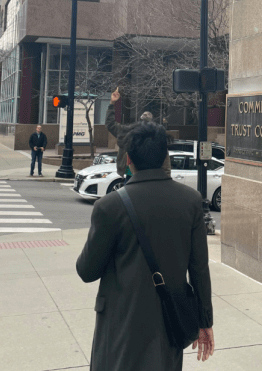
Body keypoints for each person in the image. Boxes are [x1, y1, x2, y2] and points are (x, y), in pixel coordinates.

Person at [76, 121, 214, 371]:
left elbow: (87, 271)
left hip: (120, 327)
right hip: (168, 325)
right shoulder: (191, 201)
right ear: (165, 157)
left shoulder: (109, 207)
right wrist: (205, 322)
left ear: (128, 159)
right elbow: (199, 269)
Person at [105, 87, 171, 178]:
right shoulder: (157, 136)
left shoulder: (129, 132)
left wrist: (112, 103)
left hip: (135, 176)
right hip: (149, 178)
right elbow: (166, 164)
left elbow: (110, 124)